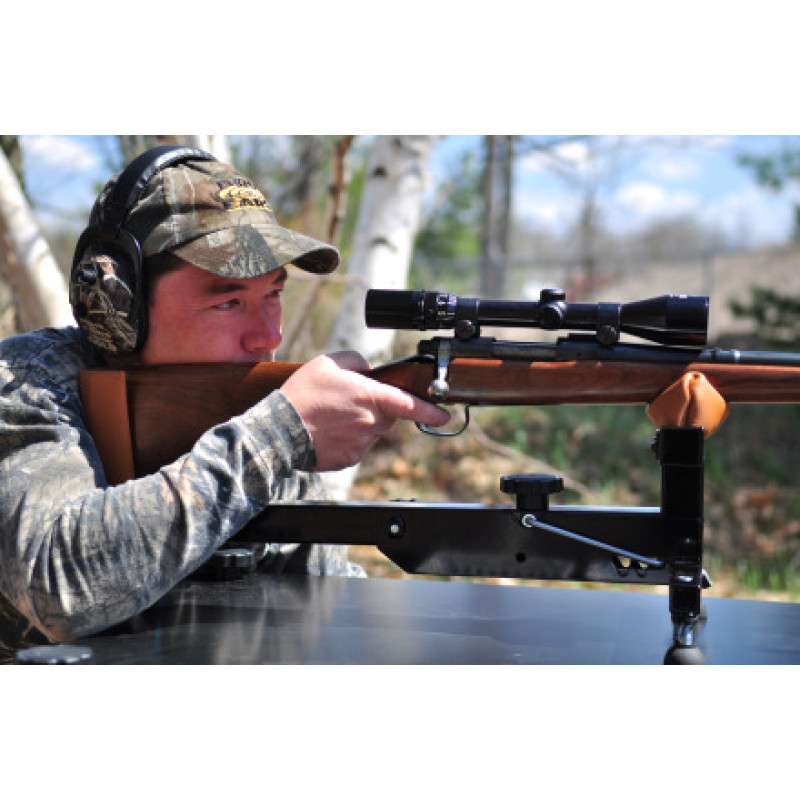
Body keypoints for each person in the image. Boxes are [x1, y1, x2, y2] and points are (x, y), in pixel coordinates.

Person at [0, 146, 448, 659]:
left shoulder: (249, 407)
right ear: (117, 306)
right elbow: (57, 590)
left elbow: (318, 593)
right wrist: (280, 435)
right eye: (229, 301)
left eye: (273, 295)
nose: (267, 336)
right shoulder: (27, 383)